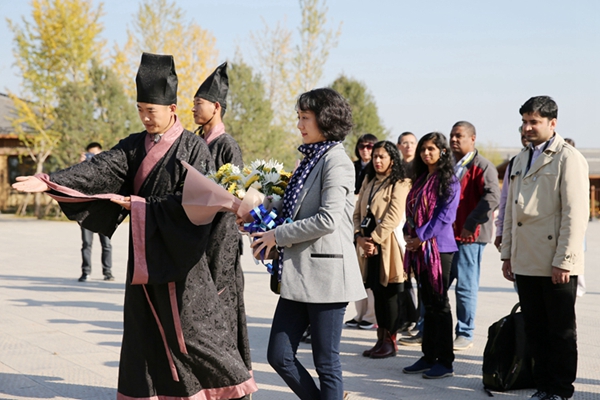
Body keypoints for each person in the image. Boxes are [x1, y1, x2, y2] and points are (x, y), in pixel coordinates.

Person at [12, 53, 257, 399]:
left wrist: (139, 206)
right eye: (140, 109)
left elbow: (195, 204)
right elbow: (99, 169)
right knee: (144, 335)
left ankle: (230, 389)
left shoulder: (194, 147)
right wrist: (51, 181)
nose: (145, 117)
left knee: (194, 334)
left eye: (151, 111)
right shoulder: (133, 145)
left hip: (182, 262)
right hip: (145, 256)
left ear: (171, 108)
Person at [249, 88, 366, 400]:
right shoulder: (309, 159)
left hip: (328, 277)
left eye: (305, 118)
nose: (299, 125)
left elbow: (327, 219)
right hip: (300, 275)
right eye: (298, 118)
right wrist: (256, 210)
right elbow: (294, 209)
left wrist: (277, 236)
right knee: (278, 355)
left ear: (325, 121)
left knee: (326, 363)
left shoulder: (336, 161)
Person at [501, 96, 589, 400]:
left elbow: (575, 214)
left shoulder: (569, 158)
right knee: (535, 329)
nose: (527, 127)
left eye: (534, 122)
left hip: (556, 261)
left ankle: (561, 389)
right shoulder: (519, 159)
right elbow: (512, 214)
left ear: (552, 124)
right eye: (524, 121)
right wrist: (507, 255)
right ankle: (542, 385)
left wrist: (564, 260)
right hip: (525, 260)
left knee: (560, 332)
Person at [192, 62, 253, 381]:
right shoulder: (194, 142)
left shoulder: (227, 146)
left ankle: (233, 381)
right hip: (198, 240)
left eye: (198, 103)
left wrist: (222, 253)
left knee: (222, 311)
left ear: (216, 107)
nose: (193, 108)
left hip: (220, 243)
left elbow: (236, 200)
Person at [401, 132, 460, 379]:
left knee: (440, 304)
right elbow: (412, 209)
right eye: (423, 149)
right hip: (419, 247)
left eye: (431, 149)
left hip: (441, 249)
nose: (426, 153)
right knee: (428, 304)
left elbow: (446, 216)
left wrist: (421, 236)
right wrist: (408, 233)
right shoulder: (422, 178)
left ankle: (445, 361)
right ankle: (428, 357)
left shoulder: (450, 180)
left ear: (442, 151)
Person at [353, 140, 411, 359]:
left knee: (390, 294)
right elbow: (357, 212)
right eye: (375, 156)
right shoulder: (368, 179)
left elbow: (393, 217)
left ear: (392, 159)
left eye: (382, 157)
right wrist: (359, 237)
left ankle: (390, 341)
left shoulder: (401, 182)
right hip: (368, 246)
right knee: (375, 291)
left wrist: (373, 240)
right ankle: (380, 339)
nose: (377, 160)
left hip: (388, 247)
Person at [449, 121, 500, 350]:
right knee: (437, 284)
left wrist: (471, 222)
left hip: (471, 236)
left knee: (465, 286)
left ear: (472, 138)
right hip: (447, 235)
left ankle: (465, 332)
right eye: (451, 136)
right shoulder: (449, 165)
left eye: (459, 136)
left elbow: (492, 197)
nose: (454, 140)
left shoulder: (483, 166)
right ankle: (424, 328)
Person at [345, 133, 378, 331]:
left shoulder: (378, 171)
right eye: (362, 146)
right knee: (355, 272)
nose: (365, 150)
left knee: (370, 274)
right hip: (352, 224)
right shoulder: (352, 167)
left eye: (369, 146)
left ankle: (371, 315)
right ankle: (359, 313)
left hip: (371, 228)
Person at [77, 142, 113, 282]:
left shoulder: (108, 168)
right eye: (90, 154)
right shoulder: (82, 170)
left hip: (104, 212)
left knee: (107, 244)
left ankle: (107, 271)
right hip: (87, 213)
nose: (93, 158)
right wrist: (80, 165)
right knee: (86, 244)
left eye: (96, 154)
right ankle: (86, 272)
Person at [494, 129, 529, 251]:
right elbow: (505, 200)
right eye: (522, 128)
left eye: (533, 123)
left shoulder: (554, 160)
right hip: (516, 234)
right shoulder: (515, 162)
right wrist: (500, 230)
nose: (525, 131)